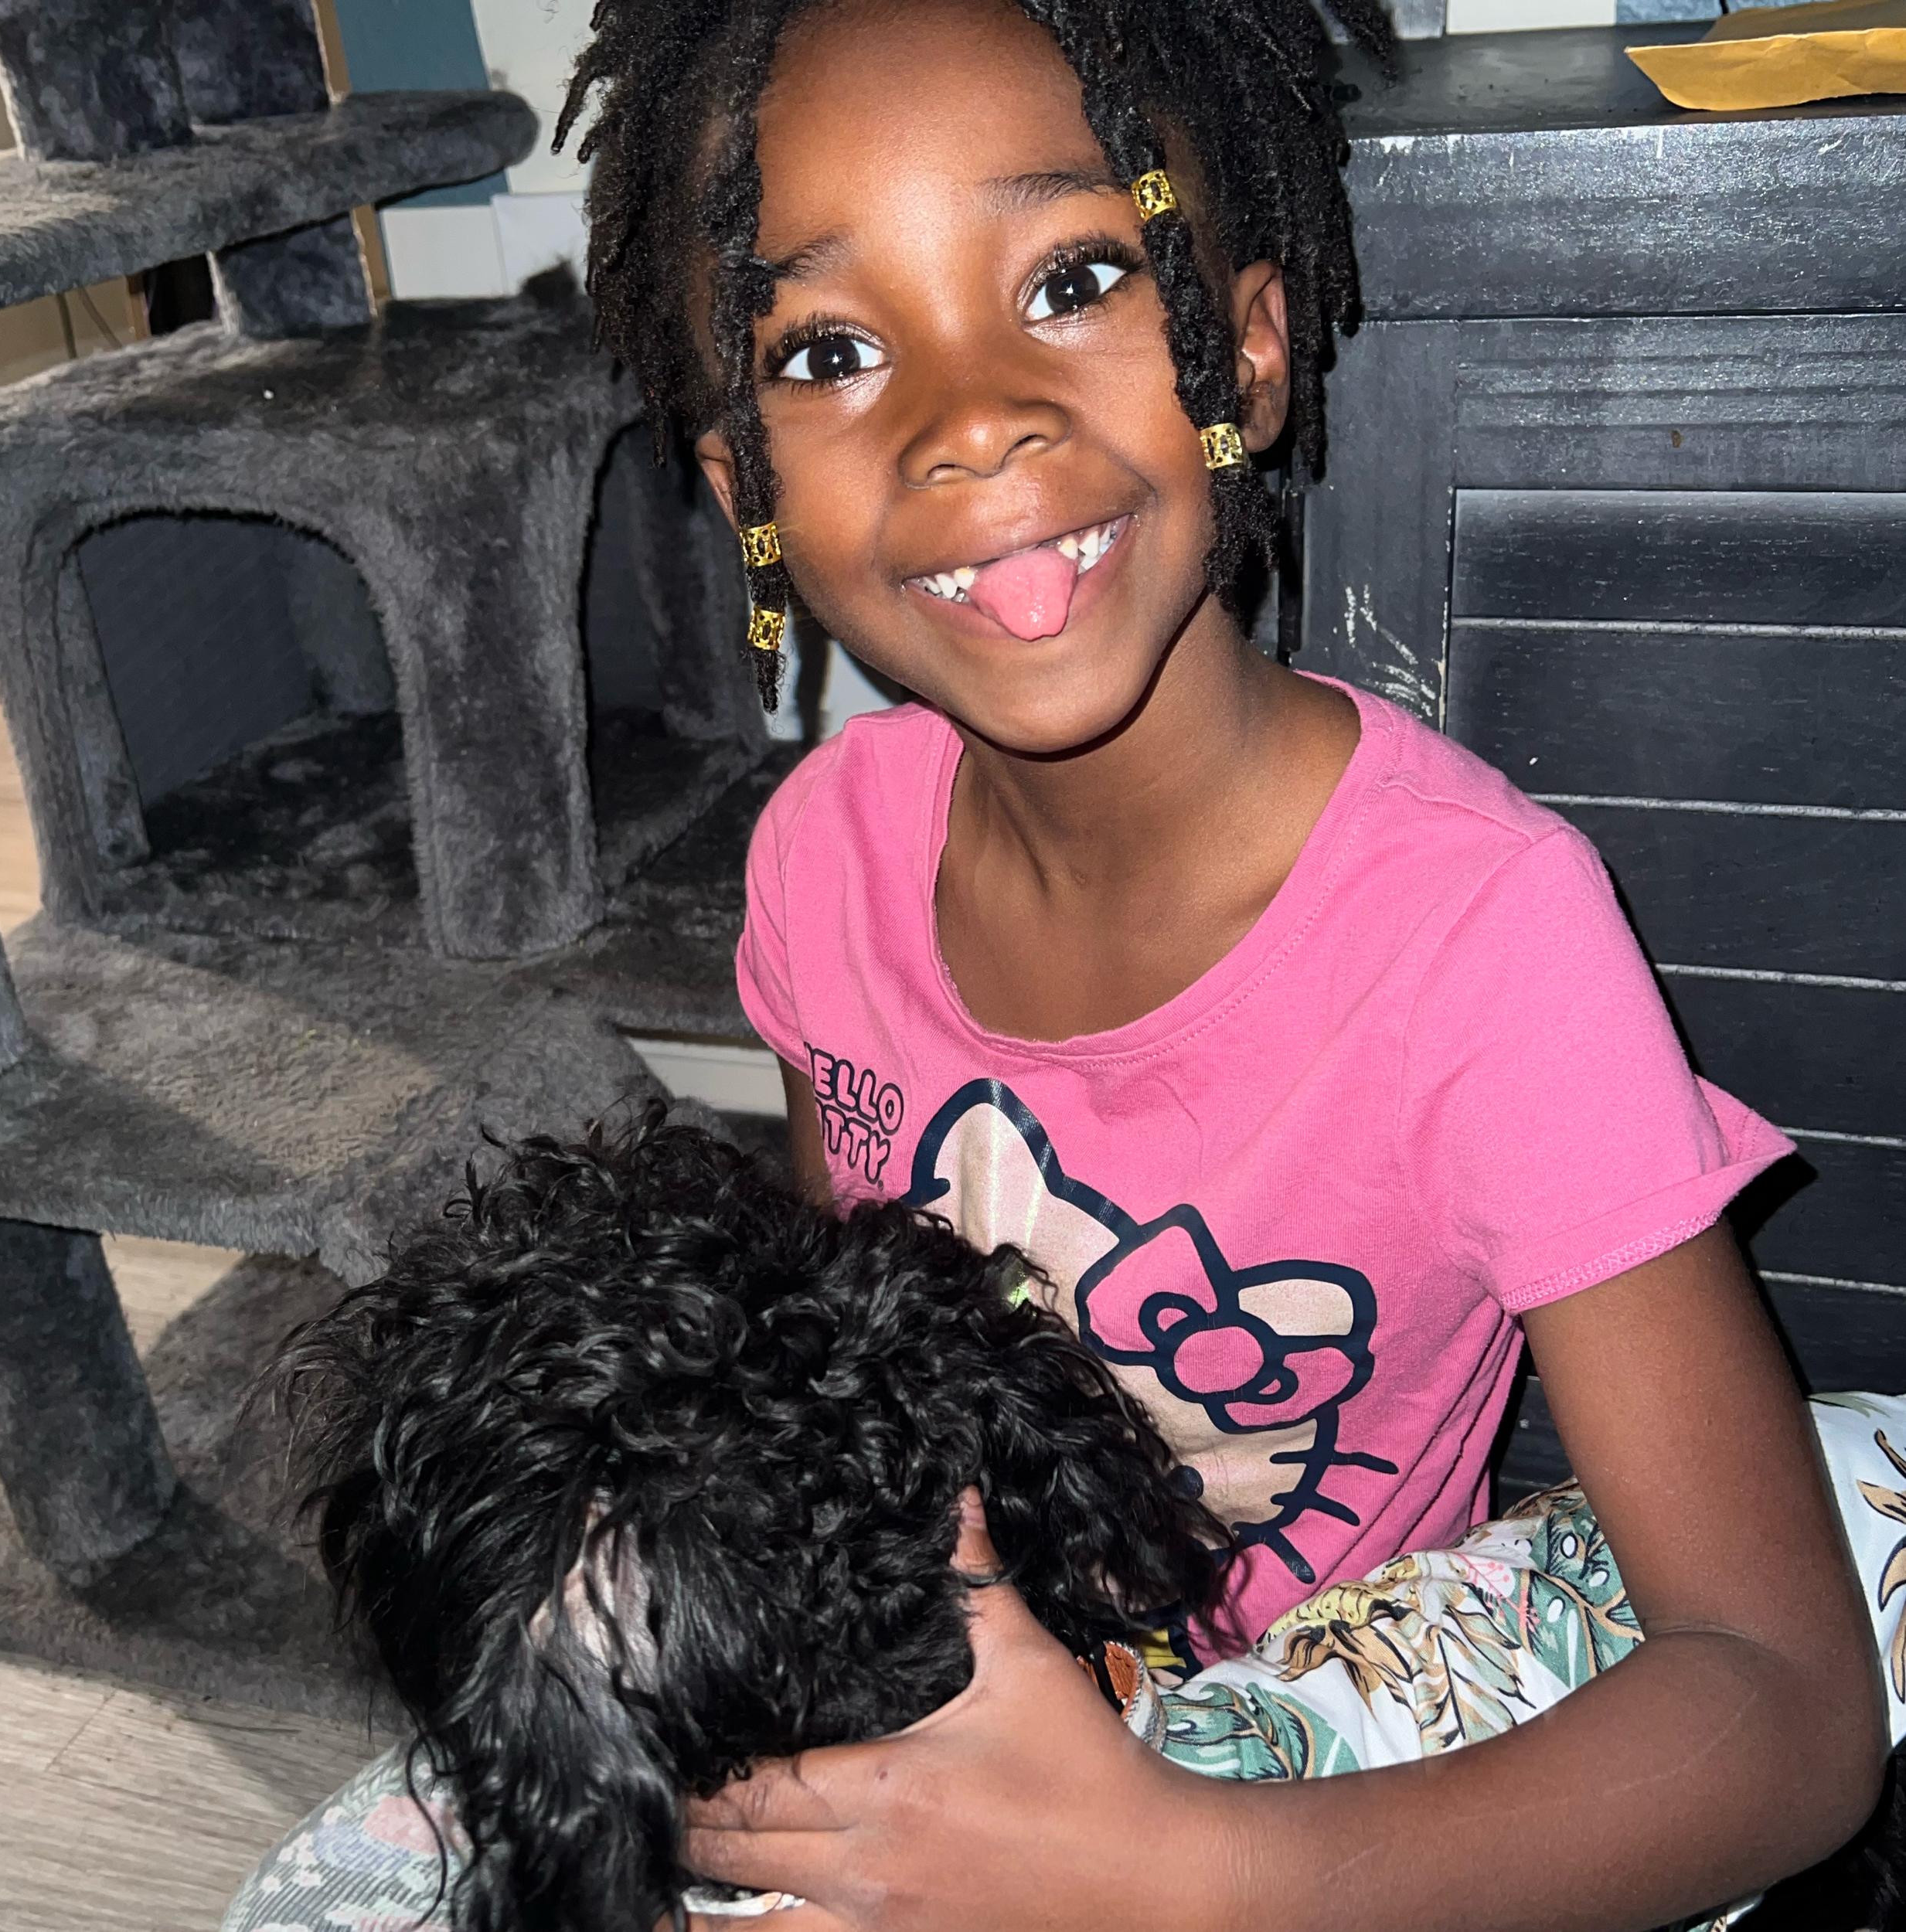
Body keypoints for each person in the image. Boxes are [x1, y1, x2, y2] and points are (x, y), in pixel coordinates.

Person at [222, 1, 1886, 1928]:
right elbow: (847, 1382)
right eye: (828, 351)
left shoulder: (1481, 936)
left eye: (1073, 277)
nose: (967, 416)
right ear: (742, 485)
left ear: (1244, 350)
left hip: (1301, 1791)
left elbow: (1785, 1707)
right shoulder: (825, 857)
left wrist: (1170, 1866)